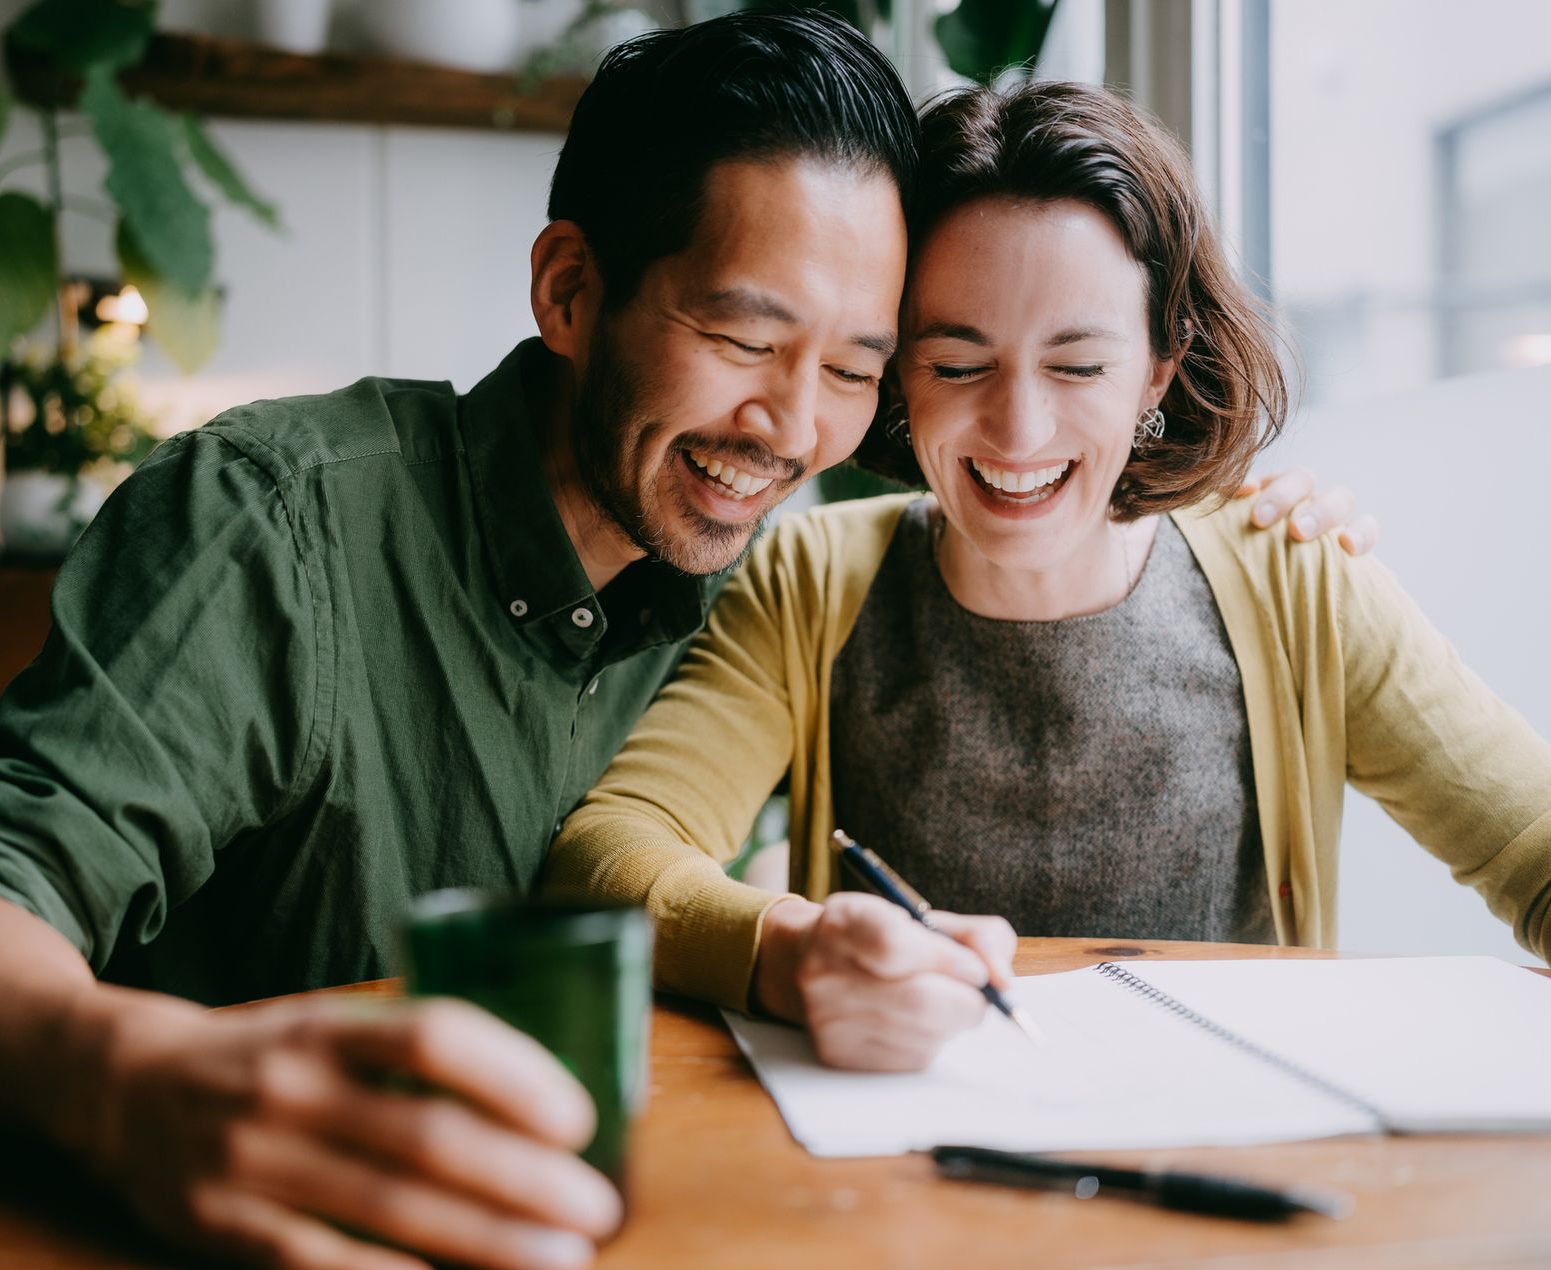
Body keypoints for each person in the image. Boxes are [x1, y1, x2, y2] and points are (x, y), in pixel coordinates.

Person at [0, 16, 1362, 1270]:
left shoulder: (791, 561)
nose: (792, 427)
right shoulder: (279, 522)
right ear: (571, 288)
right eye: (741, 338)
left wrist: (1247, 528)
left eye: (854, 367)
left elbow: (1047, 484)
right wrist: (130, 1084)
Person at [543, 80, 1551, 1078]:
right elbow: (612, 850)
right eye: (957, 363)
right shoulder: (812, 578)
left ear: (1160, 364)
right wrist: (789, 950)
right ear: (898, 376)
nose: (1018, 432)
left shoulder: (1296, 576)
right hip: (911, 1185)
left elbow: (1532, 845)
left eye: (1076, 366)